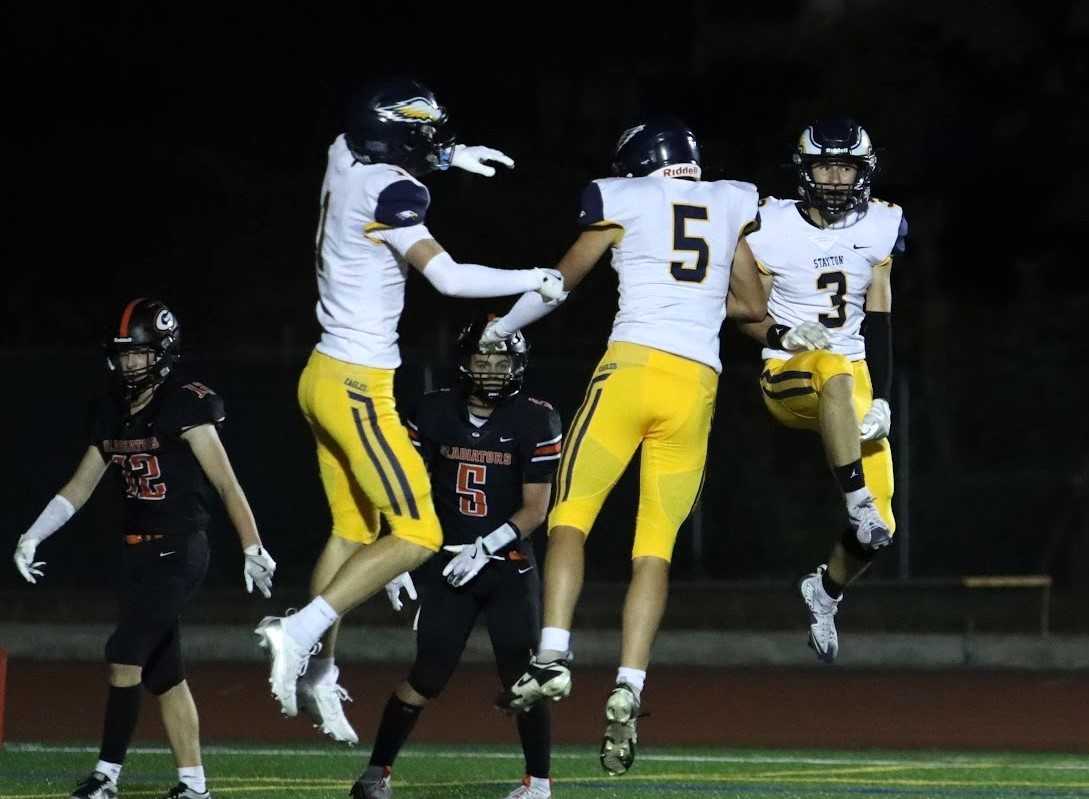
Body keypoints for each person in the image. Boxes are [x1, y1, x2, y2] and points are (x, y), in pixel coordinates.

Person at [254, 77, 565, 726]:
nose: (433, 141)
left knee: (350, 530)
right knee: (418, 531)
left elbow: (385, 144)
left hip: (320, 372)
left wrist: (449, 156)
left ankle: (319, 672)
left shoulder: (343, 152)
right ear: (394, 139)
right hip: (356, 384)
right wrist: (531, 277)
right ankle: (298, 630)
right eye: (422, 134)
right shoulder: (393, 190)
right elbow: (448, 278)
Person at [487, 117, 767, 775]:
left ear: (639, 162)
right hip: (696, 382)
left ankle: (553, 654)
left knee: (568, 518)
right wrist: (694, 298)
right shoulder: (731, 201)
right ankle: (629, 683)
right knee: (653, 550)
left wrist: (499, 326)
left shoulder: (624, 197)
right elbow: (752, 303)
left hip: (632, 368)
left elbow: (560, 281)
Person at [12, 298, 276, 799]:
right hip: (134, 556)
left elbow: (228, 485)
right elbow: (80, 485)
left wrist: (251, 545)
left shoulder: (186, 403)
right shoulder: (111, 411)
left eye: (139, 352)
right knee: (165, 672)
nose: (130, 362)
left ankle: (106, 777)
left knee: (124, 653)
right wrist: (34, 534)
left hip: (180, 550)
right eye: (123, 353)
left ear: (164, 351)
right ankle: (194, 785)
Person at [354, 318, 560, 799]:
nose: (490, 371)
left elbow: (536, 509)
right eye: (481, 361)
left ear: (518, 365)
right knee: (427, 674)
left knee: (522, 676)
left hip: (507, 562)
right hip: (448, 564)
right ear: (464, 363)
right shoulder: (433, 411)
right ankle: (377, 772)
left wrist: (486, 546)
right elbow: (407, 491)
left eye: (500, 362)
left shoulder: (536, 417)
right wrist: (396, 554)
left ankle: (538, 783)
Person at [740, 118, 907, 663]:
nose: (835, 178)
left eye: (846, 167)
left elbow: (879, 317)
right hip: (788, 369)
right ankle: (854, 497)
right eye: (824, 166)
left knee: (881, 527)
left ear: (865, 171)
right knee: (832, 367)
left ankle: (826, 590)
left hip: (851, 374)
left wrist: (880, 395)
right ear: (803, 170)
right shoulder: (770, 224)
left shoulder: (881, 225)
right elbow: (740, 313)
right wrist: (784, 333)